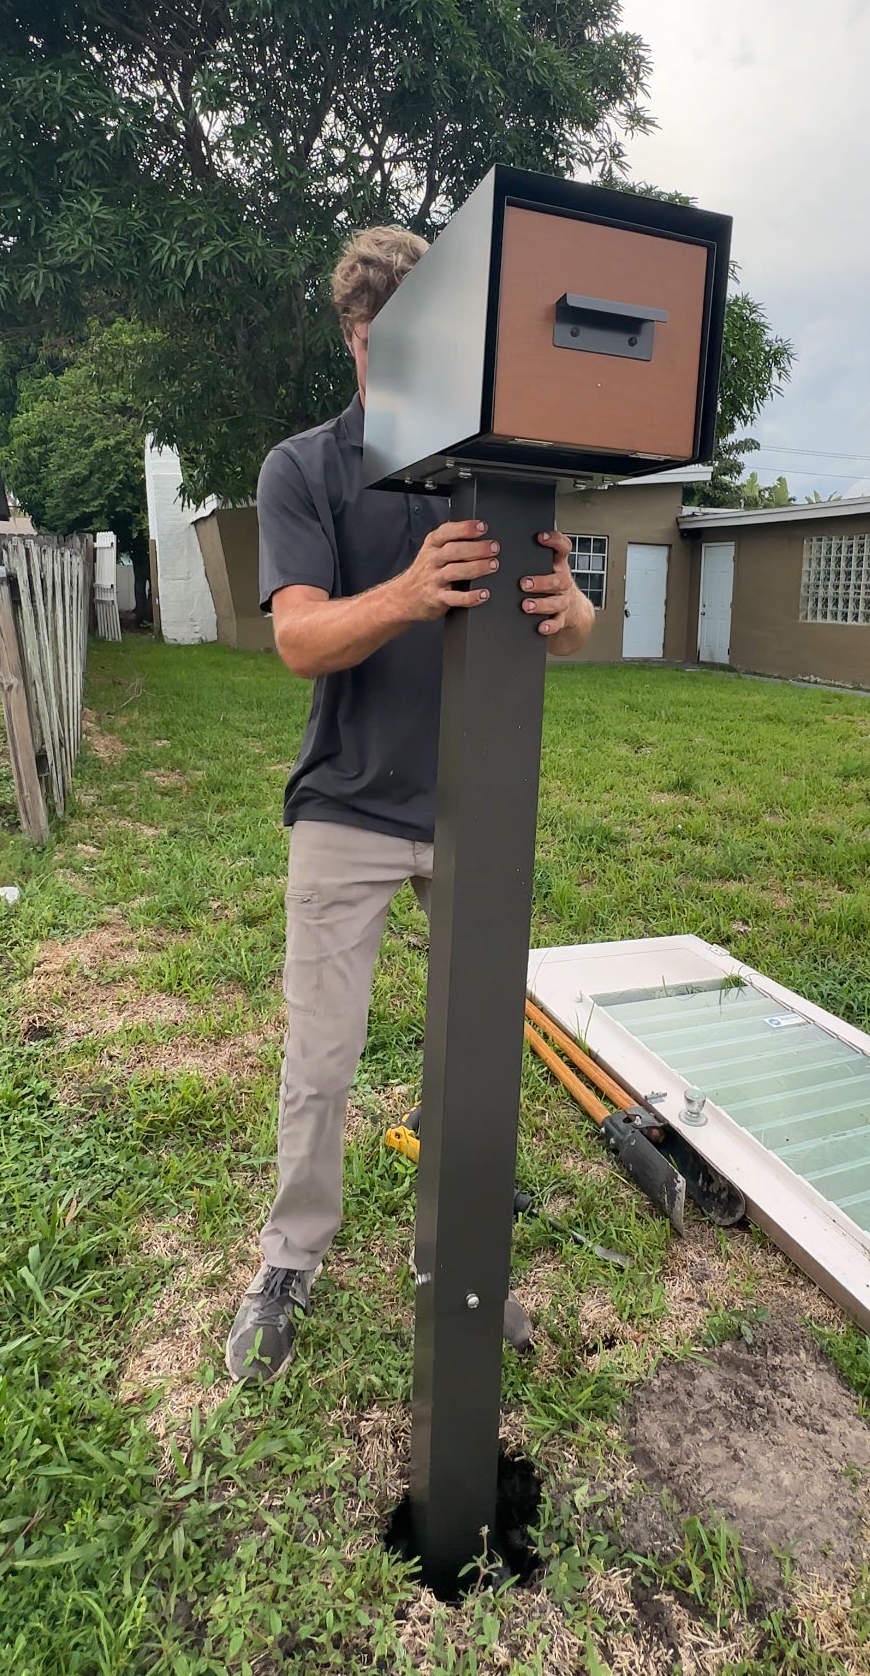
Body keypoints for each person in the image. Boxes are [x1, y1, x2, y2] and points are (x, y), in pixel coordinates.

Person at [226, 225, 596, 1383]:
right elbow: (298, 638)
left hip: (476, 810)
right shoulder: (305, 469)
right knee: (322, 1059)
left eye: (418, 341)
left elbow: (573, 623)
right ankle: (290, 1261)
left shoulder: (500, 469)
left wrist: (569, 609)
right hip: (347, 806)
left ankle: (465, 1257)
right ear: (351, 339)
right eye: (374, 341)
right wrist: (407, 590)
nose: (392, 363)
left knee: (475, 1056)